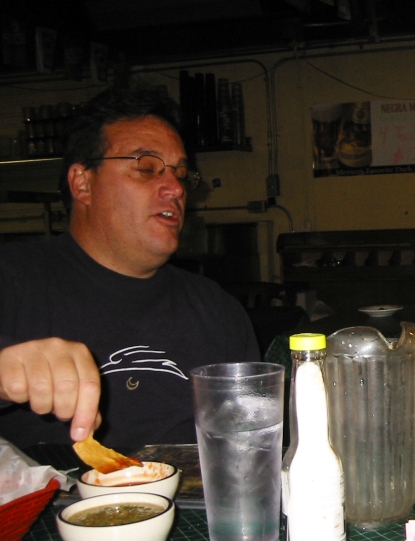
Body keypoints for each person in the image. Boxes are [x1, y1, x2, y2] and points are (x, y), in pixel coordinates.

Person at [0, 86, 260, 450]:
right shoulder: (12, 280)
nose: (175, 188)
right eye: (147, 168)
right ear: (82, 183)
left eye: (181, 174)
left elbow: (247, 452)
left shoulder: (218, 311)